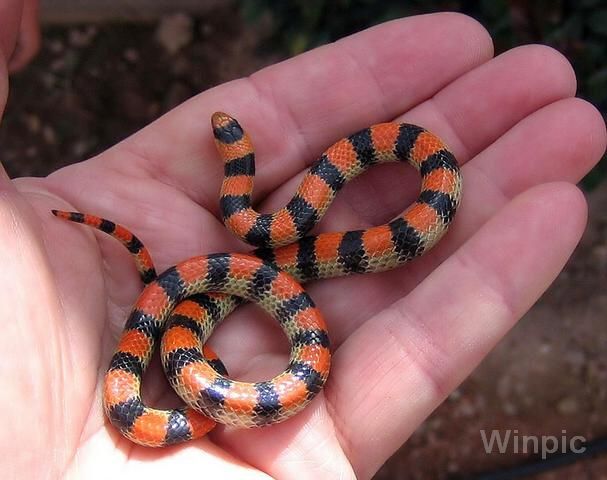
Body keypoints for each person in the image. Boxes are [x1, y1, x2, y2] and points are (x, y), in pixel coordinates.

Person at [0, 2, 605, 478]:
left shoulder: (260, 228)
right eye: (230, 140)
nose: (223, 132)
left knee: (220, 284)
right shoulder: (246, 235)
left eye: (229, 140)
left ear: (234, 160)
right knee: (214, 293)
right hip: (205, 344)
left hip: (227, 306)